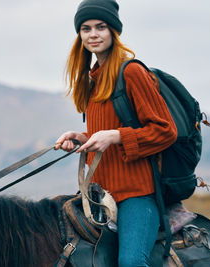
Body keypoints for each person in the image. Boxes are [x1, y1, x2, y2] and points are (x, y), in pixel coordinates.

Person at [54, 0, 178, 266]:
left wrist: (116, 136)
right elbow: (104, 136)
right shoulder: (91, 80)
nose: (93, 34)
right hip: (99, 196)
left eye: (101, 27)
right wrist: (82, 138)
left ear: (113, 31)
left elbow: (166, 130)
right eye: (86, 29)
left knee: (132, 263)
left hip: (136, 195)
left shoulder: (132, 72)